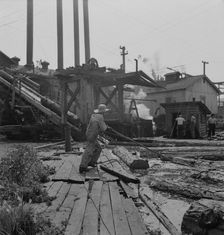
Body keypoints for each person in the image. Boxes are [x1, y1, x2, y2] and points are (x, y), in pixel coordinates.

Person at [79, 104, 110, 173]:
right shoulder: (100, 117)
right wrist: (107, 128)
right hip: (92, 135)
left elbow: (99, 124)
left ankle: (91, 162)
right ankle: (82, 166)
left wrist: (105, 127)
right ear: (103, 111)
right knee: (89, 150)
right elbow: (103, 128)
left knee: (98, 148)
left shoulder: (94, 115)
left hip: (90, 134)